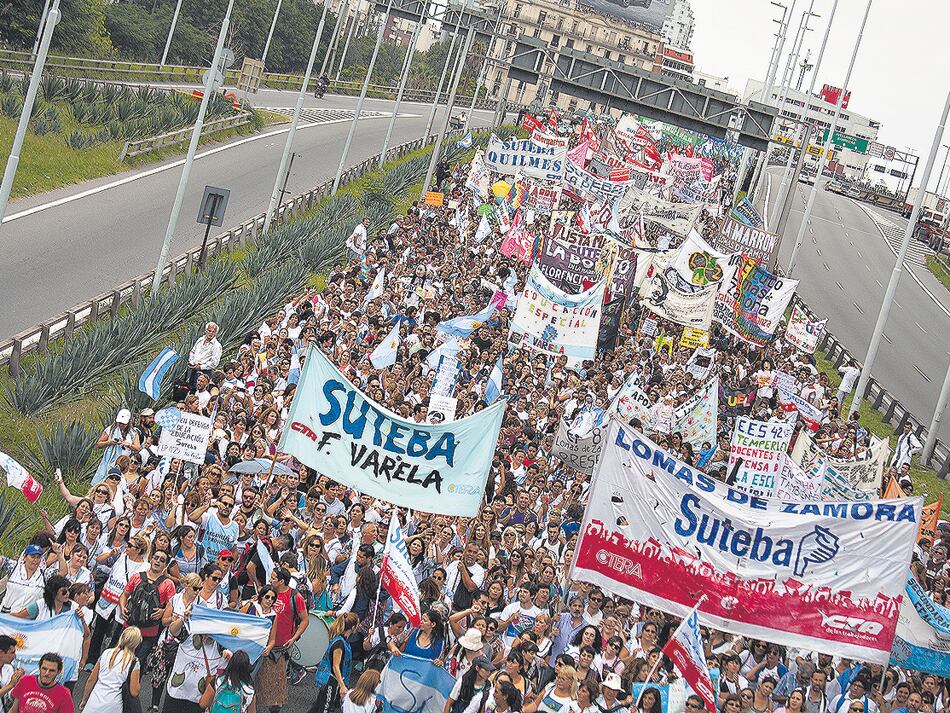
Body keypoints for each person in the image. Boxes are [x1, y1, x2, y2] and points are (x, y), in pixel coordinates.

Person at [78, 626, 142, 713]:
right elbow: (134, 691)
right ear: (137, 643)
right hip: (114, 705)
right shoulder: (133, 661)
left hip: (94, 701)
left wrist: (84, 700)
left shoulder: (106, 653)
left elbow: (91, 680)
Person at [312, 613, 359, 713]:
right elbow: (335, 666)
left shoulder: (342, 640)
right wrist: (342, 685)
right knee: (325, 709)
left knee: (317, 708)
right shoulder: (339, 643)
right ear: (353, 627)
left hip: (332, 680)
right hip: (330, 681)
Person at [189, 322, 223, 389]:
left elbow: (214, 363)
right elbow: (192, 352)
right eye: (209, 331)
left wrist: (201, 367)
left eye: (213, 332)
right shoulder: (200, 340)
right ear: (206, 331)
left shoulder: (216, 346)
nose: (211, 333)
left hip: (204, 372)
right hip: (193, 368)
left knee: (199, 389)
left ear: (216, 333)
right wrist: (192, 362)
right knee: (190, 387)